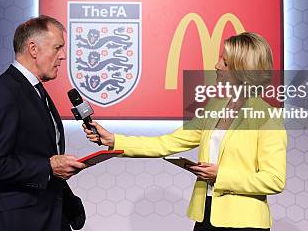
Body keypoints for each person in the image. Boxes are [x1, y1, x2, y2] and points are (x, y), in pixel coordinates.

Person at [83, 32, 287, 230]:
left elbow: (274, 180)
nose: (216, 66)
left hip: (245, 224)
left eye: (224, 62)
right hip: (206, 216)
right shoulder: (215, 107)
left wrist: (221, 176)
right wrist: (113, 140)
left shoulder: (267, 117)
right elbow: (167, 143)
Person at [0, 15, 86, 231]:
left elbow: (36, 155)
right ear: (33, 49)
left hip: (48, 218)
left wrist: (68, 201)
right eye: (58, 47)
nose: (63, 56)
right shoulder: (2, 92)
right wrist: (49, 167)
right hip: (16, 223)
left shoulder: (36, 91)